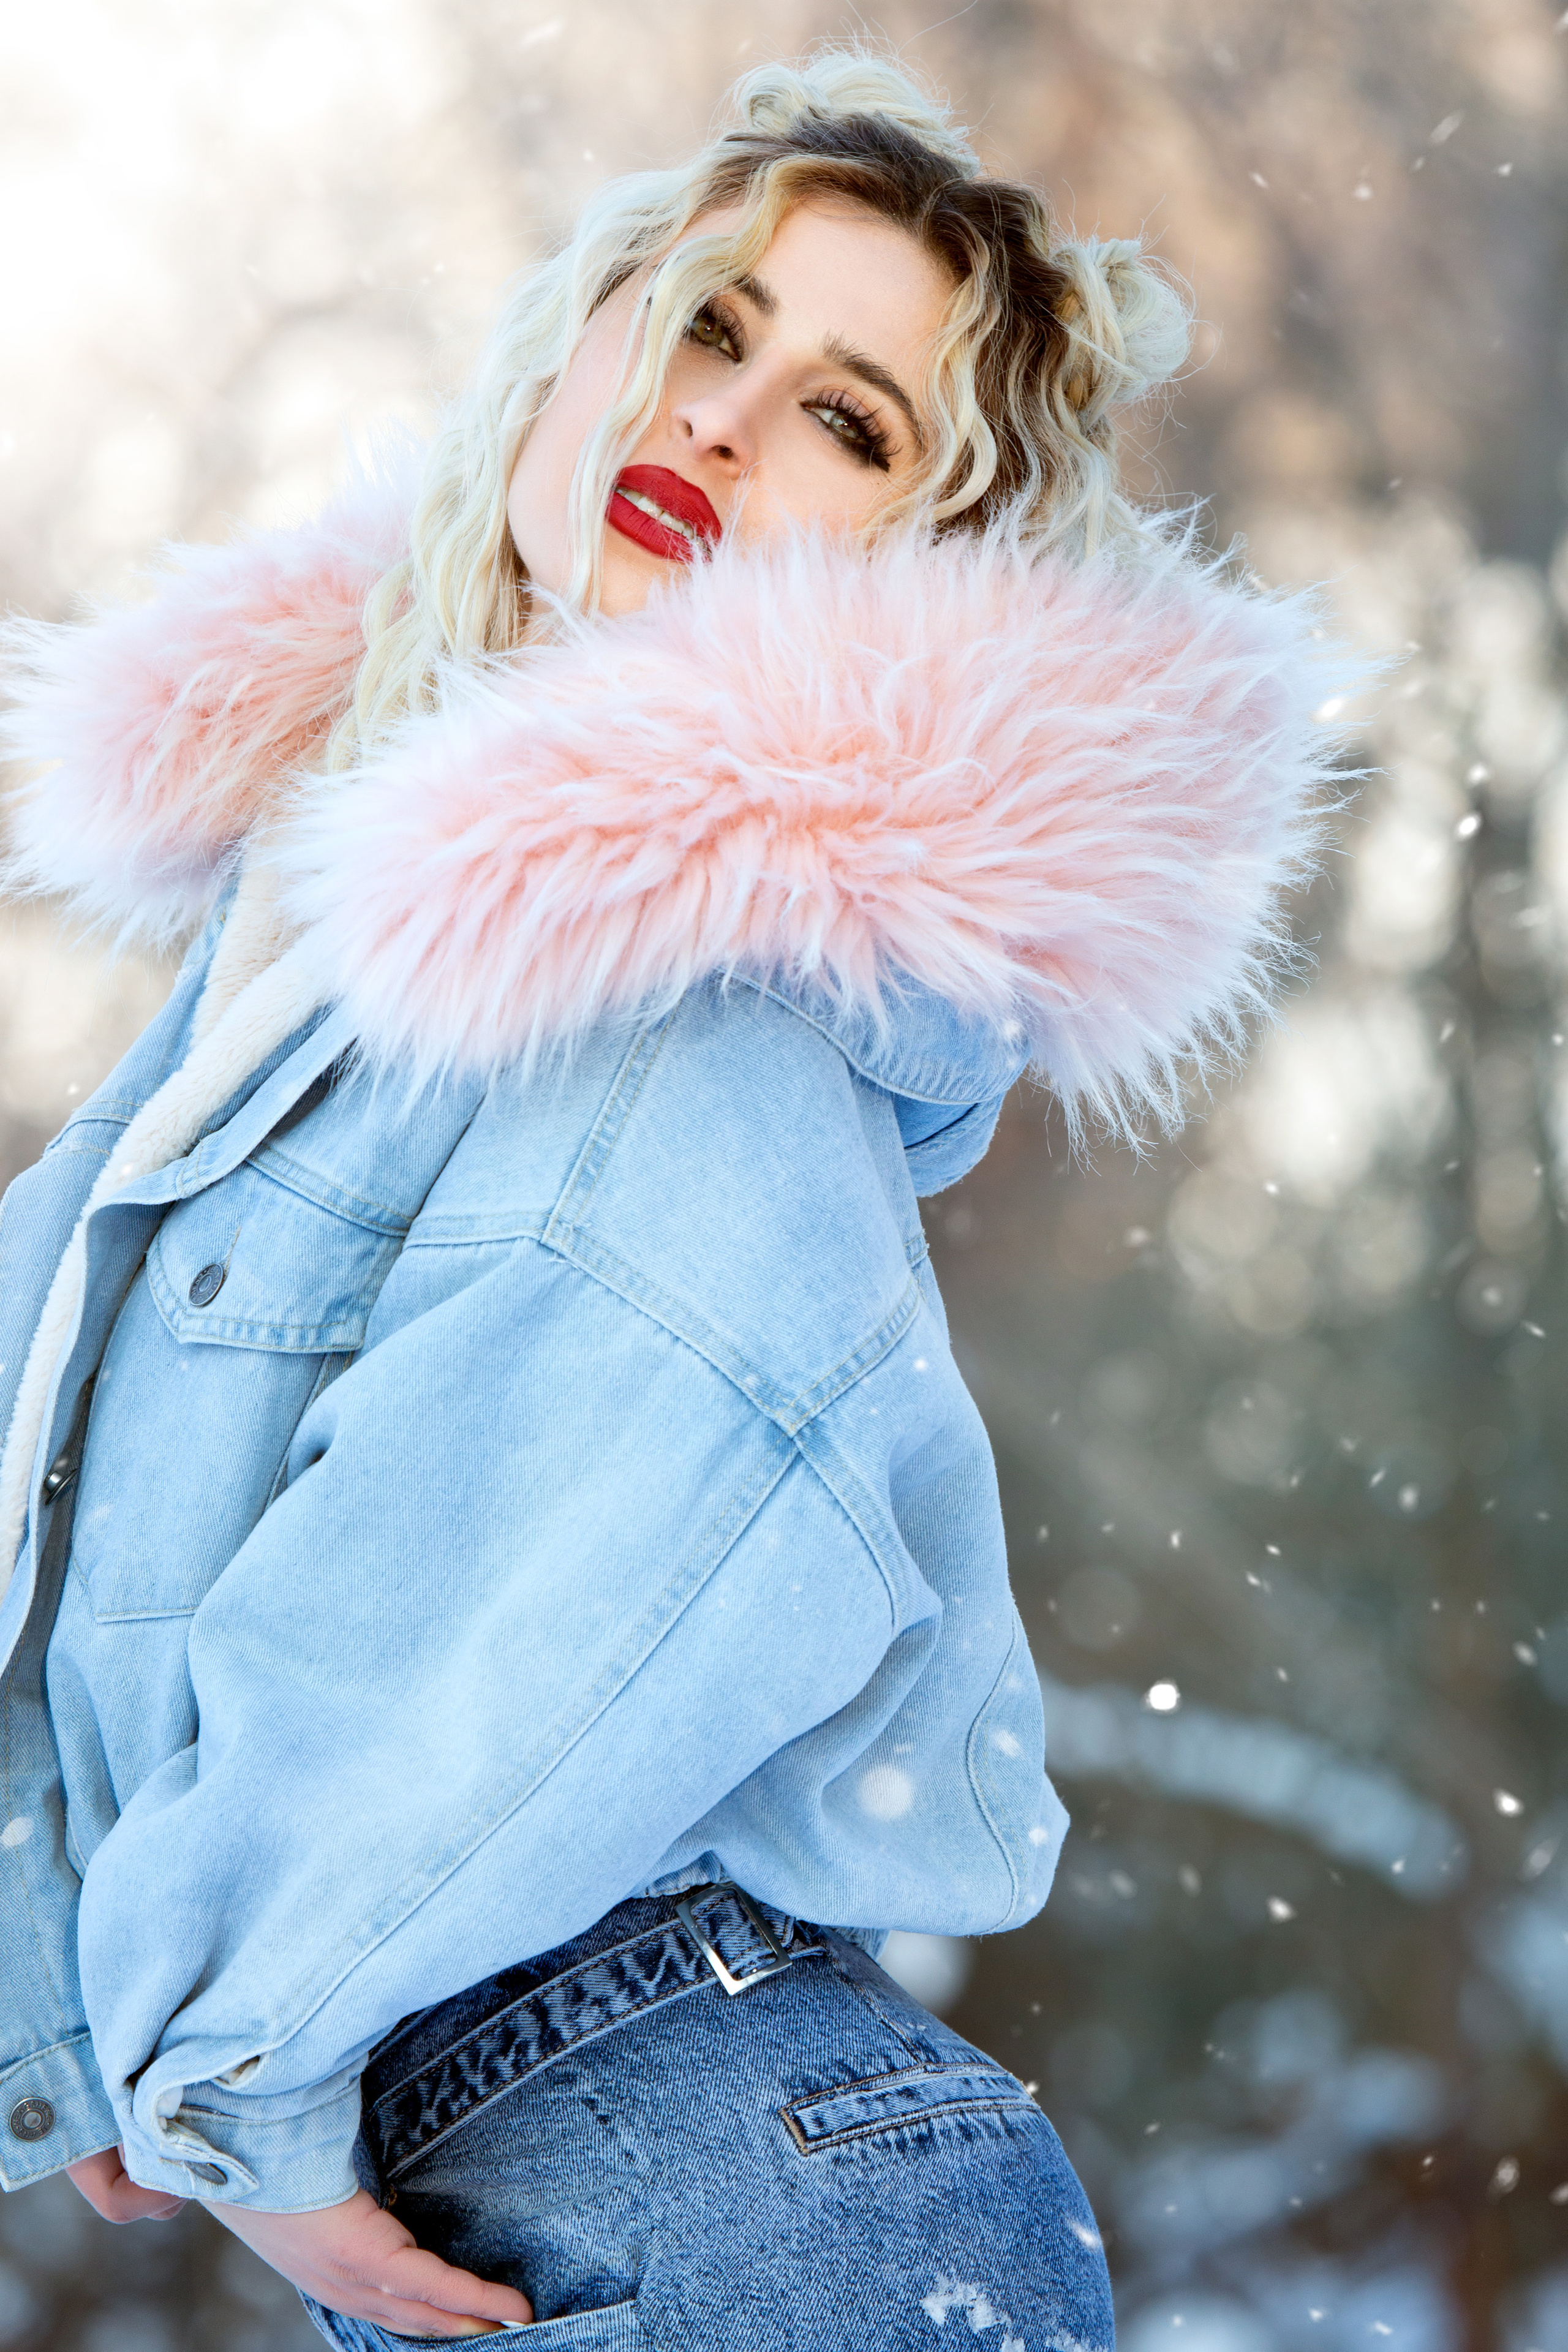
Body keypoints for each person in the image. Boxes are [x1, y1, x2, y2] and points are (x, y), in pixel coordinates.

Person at [0, 48, 1340, 2352]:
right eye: (708, 327)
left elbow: (511, 1605)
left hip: (690, 2143)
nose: (725, 422)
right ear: (573, 347)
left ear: (921, 565)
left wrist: (221, 2051)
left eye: (852, 419)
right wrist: (91, 2017)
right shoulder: (316, 947)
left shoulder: (691, 984)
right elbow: (80, 1521)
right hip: (542, 2136)